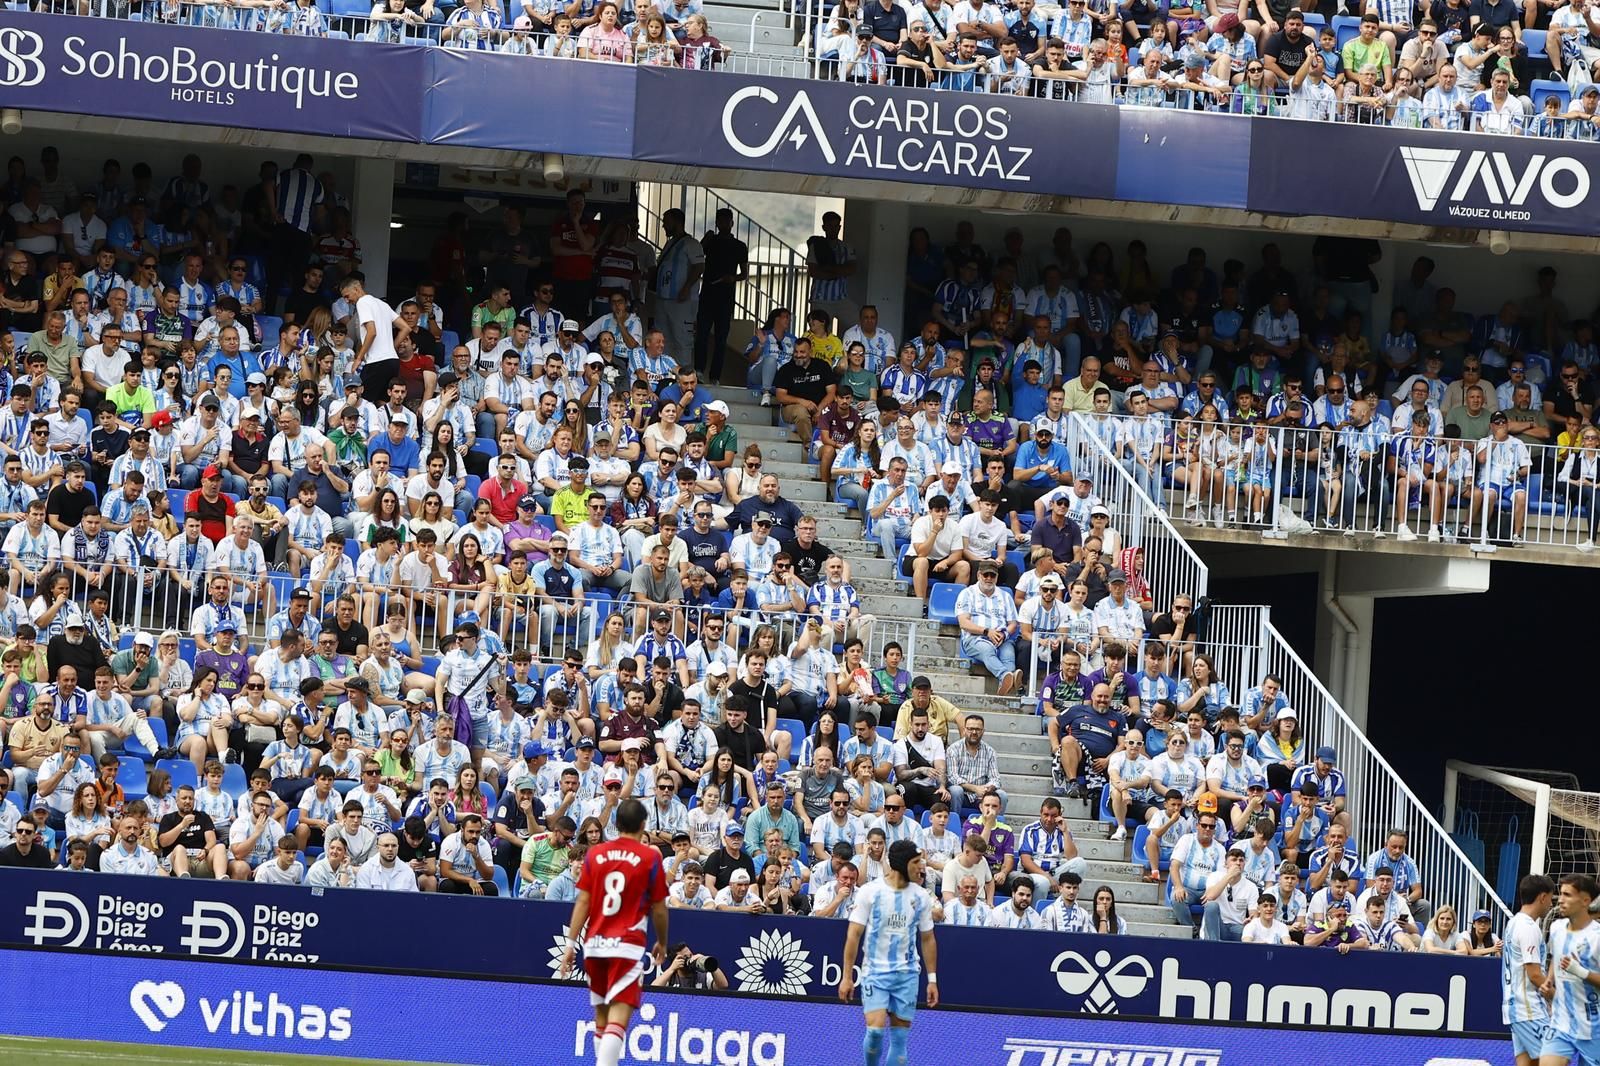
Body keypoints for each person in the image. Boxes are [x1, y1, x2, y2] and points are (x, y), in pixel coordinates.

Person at [560, 798, 670, 1066]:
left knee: (601, 1021)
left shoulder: (595, 855)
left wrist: (570, 944)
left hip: (594, 946)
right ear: (644, 825)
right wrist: (662, 942)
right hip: (627, 945)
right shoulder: (650, 857)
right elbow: (659, 908)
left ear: (616, 824)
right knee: (618, 1020)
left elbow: (583, 901)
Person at [838, 839, 938, 1066]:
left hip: (907, 975)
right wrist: (846, 977)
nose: (920, 867)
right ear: (902, 864)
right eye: (915, 862)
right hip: (875, 972)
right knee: (874, 1033)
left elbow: (928, 937)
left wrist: (932, 979)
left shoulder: (920, 896)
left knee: (900, 1040)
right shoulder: (870, 892)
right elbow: (853, 935)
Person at [1504, 873, 1556, 1066]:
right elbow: (1534, 974)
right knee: (1556, 1060)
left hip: (1516, 1007)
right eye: (1550, 898)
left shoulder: (1513, 923)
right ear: (1542, 897)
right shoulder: (1528, 928)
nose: (1551, 904)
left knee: (1529, 1063)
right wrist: (1558, 998)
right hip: (1529, 1008)